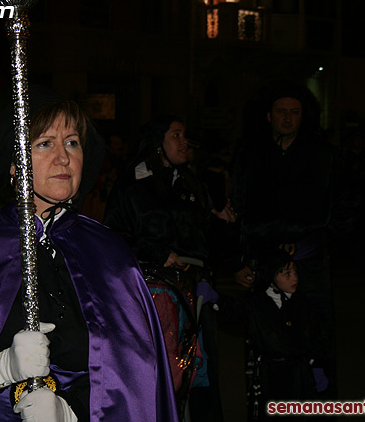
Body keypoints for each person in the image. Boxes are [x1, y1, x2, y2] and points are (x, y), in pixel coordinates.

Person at [0, 97, 178, 421]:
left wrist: (72, 411)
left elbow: (137, 370)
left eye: (72, 143)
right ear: (15, 167)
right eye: (45, 144)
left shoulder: (110, 255)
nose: (63, 157)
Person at [103, 115, 232, 421]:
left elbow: (205, 238)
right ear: (158, 143)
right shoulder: (133, 184)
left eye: (185, 135)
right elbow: (113, 237)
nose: (184, 141)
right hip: (154, 295)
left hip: (196, 291)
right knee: (161, 375)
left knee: (198, 373)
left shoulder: (192, 182)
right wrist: (156, 253)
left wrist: (223, 226)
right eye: (176, 135)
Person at [230, 83, 352, 396]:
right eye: (281, 112)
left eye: (294, 112)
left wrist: (323, 244)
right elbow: (239, 211)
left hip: (309, 263)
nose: (287, 118)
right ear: (269, 116)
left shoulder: (324, 156)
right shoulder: (250, 157)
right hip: (264, 263)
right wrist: (241, 260)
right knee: (266, 341)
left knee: (317, 341)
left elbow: (345, 206)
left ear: (302, 116)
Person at [198, 250, 328, 421]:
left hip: (298, 373)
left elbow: (313, 337)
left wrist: (317, 366)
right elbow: (236, 310)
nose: (294, 278)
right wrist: (215, 298)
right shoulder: (256, 304)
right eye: (287, 274)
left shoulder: (303, 303)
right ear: (271, 277)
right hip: (269, 374)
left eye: (295, 272)